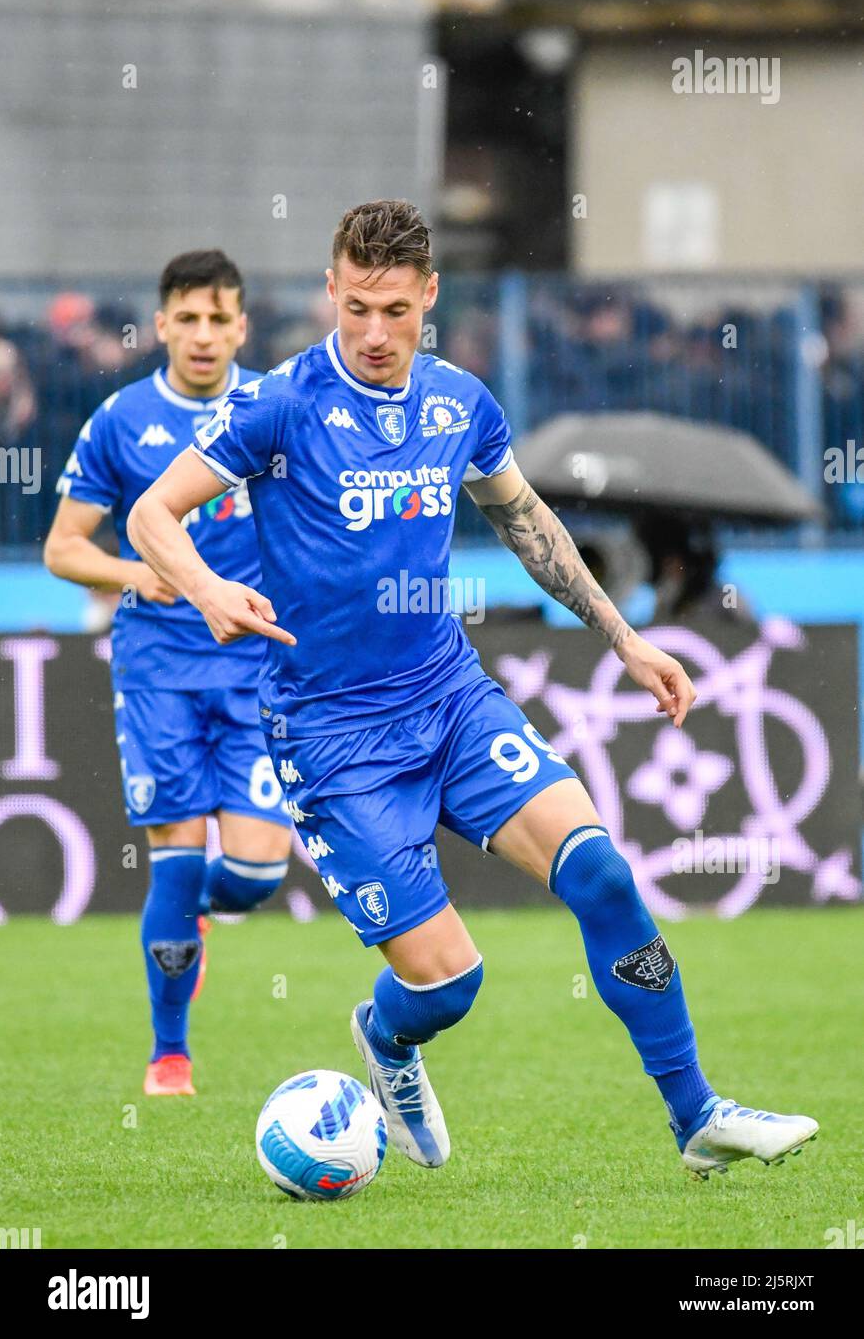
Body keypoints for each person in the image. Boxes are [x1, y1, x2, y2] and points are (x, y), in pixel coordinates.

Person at [126, 202, 817, 1178]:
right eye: (357, 306)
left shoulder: (459, 404)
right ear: (331, 289)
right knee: (451, 984)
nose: (373, 332)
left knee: (601, 874)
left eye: (395, 311)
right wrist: (203, 587)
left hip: (448, 698)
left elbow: (527, 521)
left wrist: (623, 638)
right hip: (331, 736)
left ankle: (695, 1115)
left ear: (429, 299)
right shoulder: (277, 405)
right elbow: (152, 514)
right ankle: (386, 1037)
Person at [44, 250, 293, 1098]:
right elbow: (63, 545)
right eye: (186, 318)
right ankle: (170, 1056)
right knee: (175, 859)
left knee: (258, 870)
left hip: (257, 662)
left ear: (242, 327)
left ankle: (198, 919)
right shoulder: (122, 420)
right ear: (160, 326)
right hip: (157, 669)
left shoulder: (275, 405)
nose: (203, 334)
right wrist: (135, 574)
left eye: (219, 318)